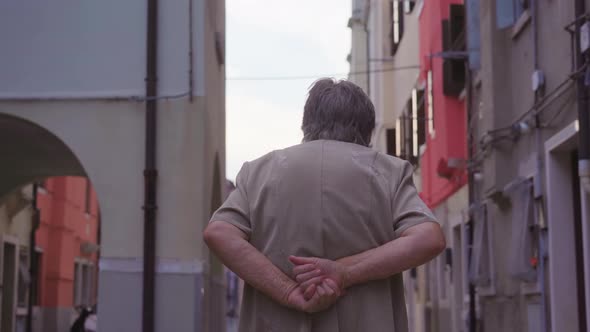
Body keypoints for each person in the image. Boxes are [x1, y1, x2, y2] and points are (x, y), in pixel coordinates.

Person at [204, 78, 446, 332]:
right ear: (366, 130)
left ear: (306, 124)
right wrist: (343, 272)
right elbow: (428, 238)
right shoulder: (389, 172)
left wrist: (288, 292)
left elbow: (219, 232)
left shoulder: (259, 172)